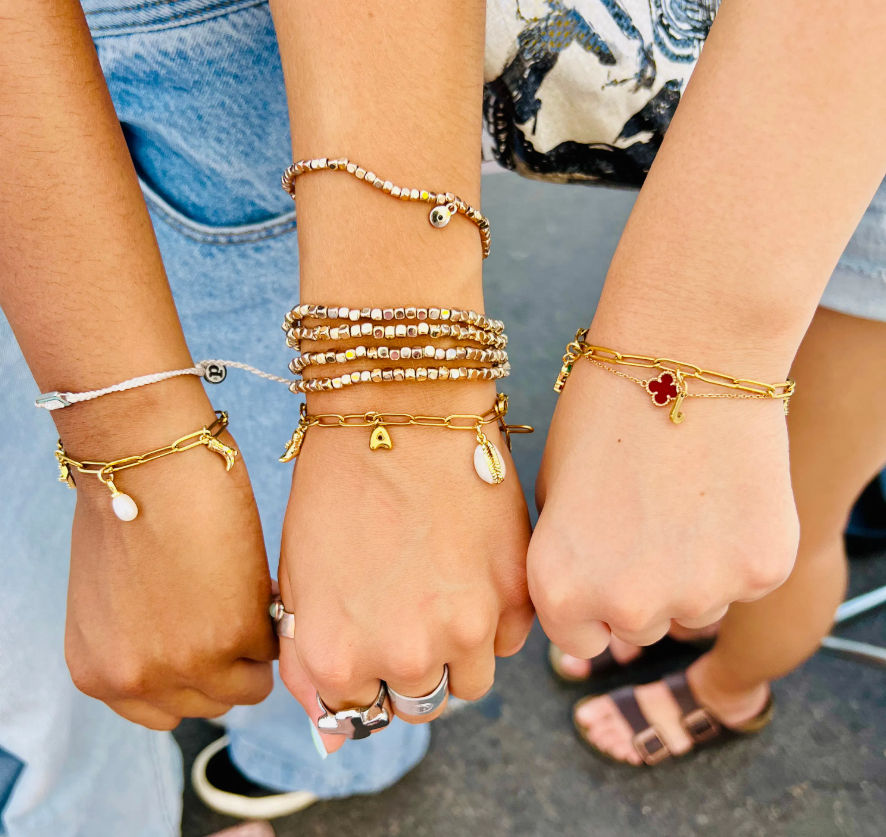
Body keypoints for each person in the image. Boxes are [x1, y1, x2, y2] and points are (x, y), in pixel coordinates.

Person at [496, 1, 885, 764]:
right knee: (692, 488)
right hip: (779, 101)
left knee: (801, 507)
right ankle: (695, 604)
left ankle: (729, 689)